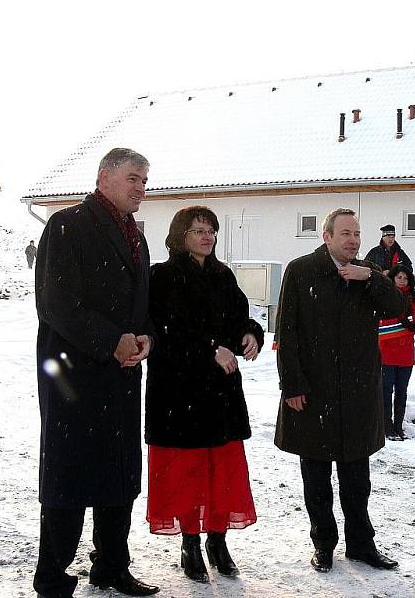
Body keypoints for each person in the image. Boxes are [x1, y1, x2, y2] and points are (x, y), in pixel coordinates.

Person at [33, 148, 159, 598]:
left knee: (118, 474)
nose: (140, 187)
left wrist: (144, 338)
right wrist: (111, 340)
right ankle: (52, 577)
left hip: (121, 377)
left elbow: (139, 305)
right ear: (104, 176)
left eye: (144, 179)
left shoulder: (137, 237)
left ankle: (110, 566)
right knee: (69, 476)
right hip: (73, 378)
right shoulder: (67, 225)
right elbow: (55, 302)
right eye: (133, 177)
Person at [274, 208, 406, 573]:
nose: (353, 240)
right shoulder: (301, 271)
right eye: (345, 233)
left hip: (357, 396)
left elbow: (400, 309)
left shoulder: (367, 274)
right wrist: (293, 385)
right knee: (316, 480)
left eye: (357, 234)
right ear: (326, 236)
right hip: (314, 394)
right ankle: (324, 545)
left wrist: (373, 279)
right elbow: (287, 333)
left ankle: (362, 545)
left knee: (357, 482)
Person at [145, 205, 263, 583]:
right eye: (198, 230)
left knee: (220, 472)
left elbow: (240, 315)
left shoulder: (222, 275)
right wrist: (210, 349)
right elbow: (163, 332)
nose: (207, 236)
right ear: (181, 236)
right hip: (179, 394)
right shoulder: (161, 277)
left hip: (219, 394)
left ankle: (218, 540)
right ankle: (190, 543)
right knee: (187, 473)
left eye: (210, 230)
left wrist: (249, 334)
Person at [378, 264, 415, 440]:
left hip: (405, 354)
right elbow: (380, 325)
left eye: (405, 278)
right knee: (386, 390)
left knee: (402, 392)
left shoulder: (413, 301)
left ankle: (398, 426)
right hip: (387, 353)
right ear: (393, 279)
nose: (402, 281)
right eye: (399, 277)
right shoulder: (385, 298)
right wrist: (401, 324)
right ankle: (386, 426)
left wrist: (412, 326)